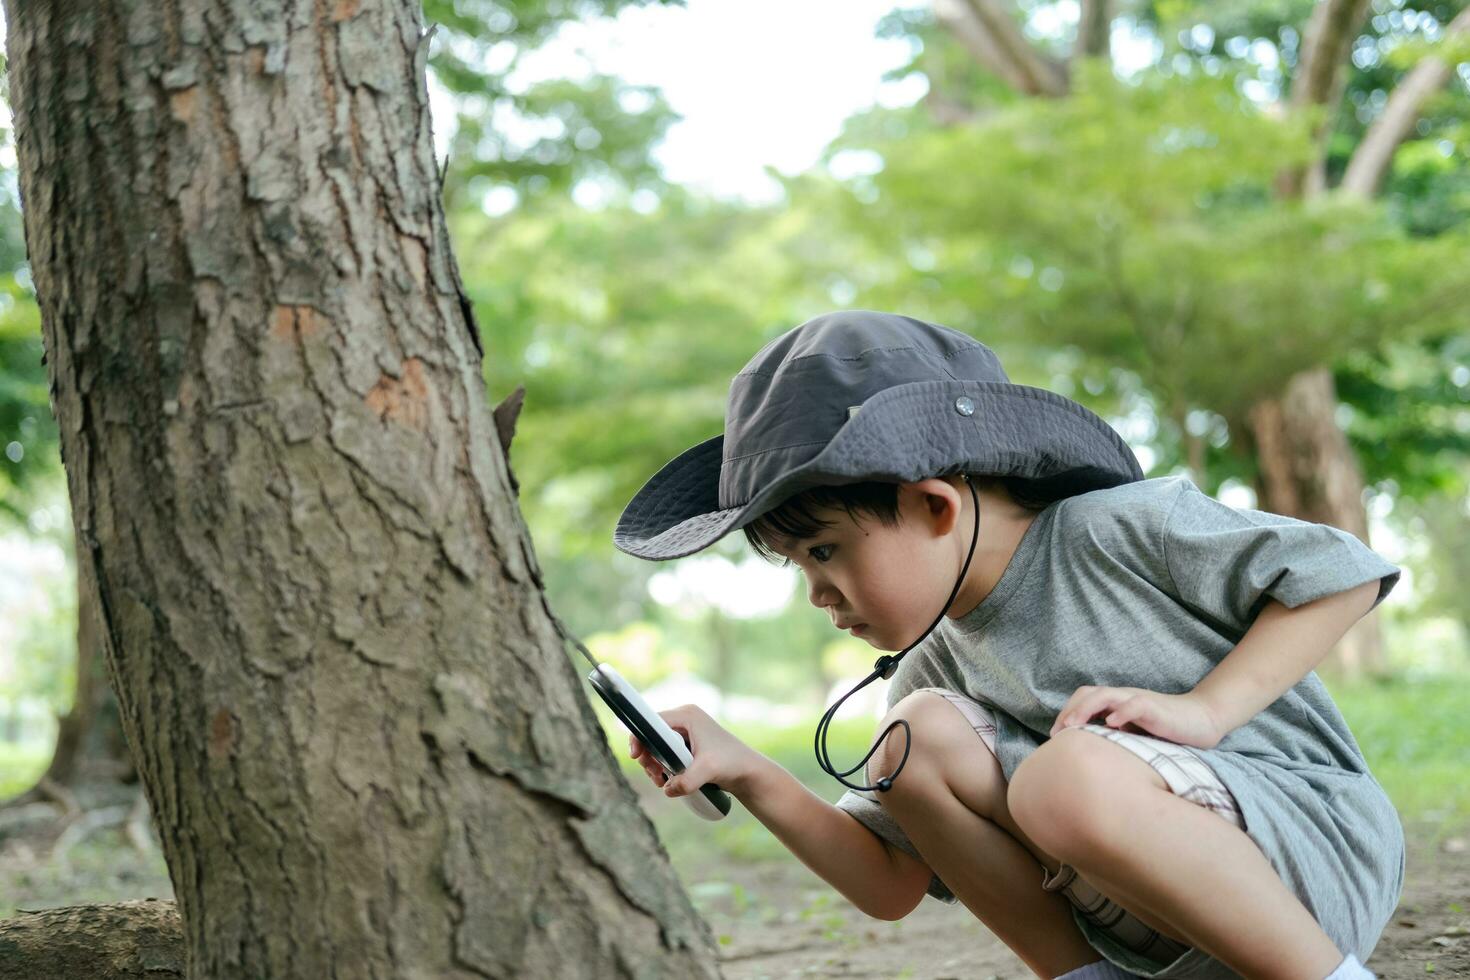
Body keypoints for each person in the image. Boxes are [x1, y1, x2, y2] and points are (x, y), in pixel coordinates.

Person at [612, 310, 1403, 980]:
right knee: (911, 739)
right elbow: (890, 883)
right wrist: (748, 770)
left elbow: (1342, 574)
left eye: (824, 552)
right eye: (798, 567)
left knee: (1063, 779)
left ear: (935, 507)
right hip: (1167, 929)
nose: (817, 592)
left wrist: (1204, 710)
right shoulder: (931, 667)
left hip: (1309, 858)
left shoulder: (1120, 528)